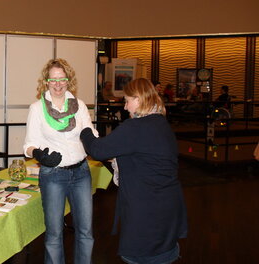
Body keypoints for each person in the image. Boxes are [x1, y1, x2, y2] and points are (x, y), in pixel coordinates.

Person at [80, 78, 188, 264]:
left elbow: (97, 150)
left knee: (142, 256)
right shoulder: (160, 123)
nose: (125, 107)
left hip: (147, 210)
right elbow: (141, 155)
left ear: (138, 100)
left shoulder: (136, 127)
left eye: (127, 100)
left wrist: (84, 130)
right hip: (168, 206)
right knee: (165, 252)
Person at [23, 58, 97, 264]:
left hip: (81, 172)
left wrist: (103, 146)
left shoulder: (79, 106)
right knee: (54, 234)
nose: (57, 84)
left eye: (62, 79)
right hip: (53, 175)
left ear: (68, 80)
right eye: (53, 80)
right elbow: (28, 145)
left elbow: (90, 133)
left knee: (86, 231)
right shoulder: (37, 108)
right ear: (46, 81)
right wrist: (38, 154)